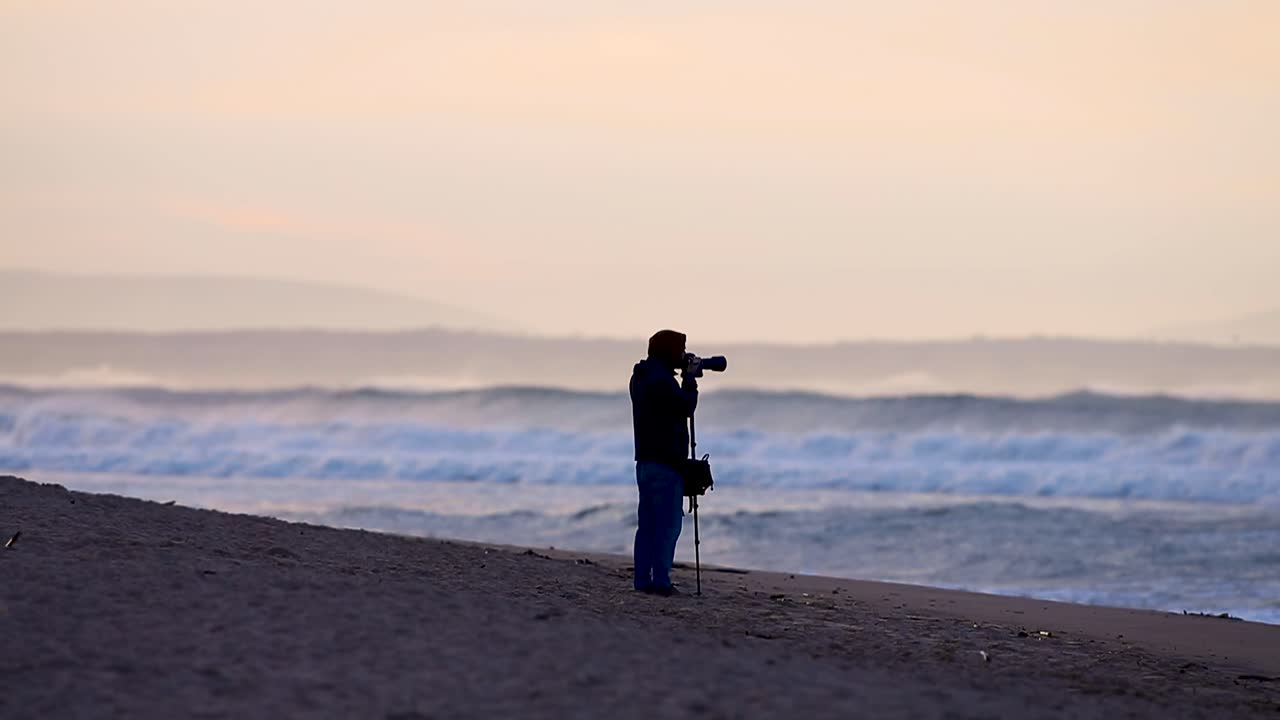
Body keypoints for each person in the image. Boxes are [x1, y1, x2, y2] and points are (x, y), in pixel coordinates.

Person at [629, 329, 697, 596]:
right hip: (666, 463)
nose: (682, 356)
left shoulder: (641, 376)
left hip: (645, 461)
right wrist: (689, 380)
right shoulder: (661, 380)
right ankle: (661, 582)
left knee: (647, 525)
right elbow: (685, 406)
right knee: (668, 525)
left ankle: (642, 580)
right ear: (669, 352)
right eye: (679, 351)